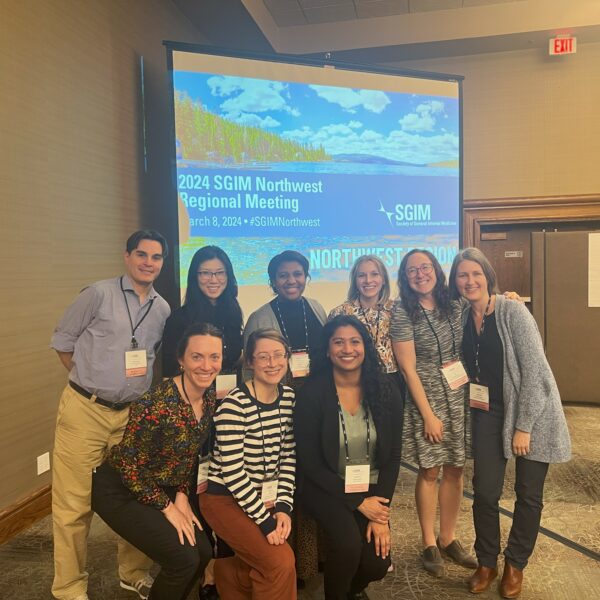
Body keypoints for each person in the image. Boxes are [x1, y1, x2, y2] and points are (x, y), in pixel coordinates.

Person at [50, 230, 170, 600]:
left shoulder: (162, 308)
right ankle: (69, 588)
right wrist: (91, 383)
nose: (148, 262)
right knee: (74, 504)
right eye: (141, 254)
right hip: (86, 411)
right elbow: (63, 341)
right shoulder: (98, 294)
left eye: (156, 257)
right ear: (127, 256)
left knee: (132, 497)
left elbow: (148, 357)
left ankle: (132, 573)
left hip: (131, 415)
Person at [449, 248, 571, 598]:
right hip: (488, 412)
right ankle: (487, 561)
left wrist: (524, 425)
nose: (469, 281)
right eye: (462, 275)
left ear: (488, 275)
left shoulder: (513, 311)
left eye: (475, 274)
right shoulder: (460, 315)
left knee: (528, 495)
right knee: (485, 492)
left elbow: (535, 371)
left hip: (533, 412)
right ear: (455, 282)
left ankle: (515, 564)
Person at [91, 323, 221, 600]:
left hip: (161, 487)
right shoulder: (156, 403)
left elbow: (190, 452)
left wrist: (183, 496)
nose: (206, 365)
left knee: (203, 553)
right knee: (183, 559)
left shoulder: (208, 395)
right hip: (120, 490)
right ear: (181, 360)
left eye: (214, 357)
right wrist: (167, 507)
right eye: (197, 356)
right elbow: (128, 465)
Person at [294, 315, 403, 600]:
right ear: (328, 350)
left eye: (355, 341)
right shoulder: (312, 394)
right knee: (347, 545)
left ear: (365, 347)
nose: (347, 349)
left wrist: (380, 513)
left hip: (371, 487)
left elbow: (392, 457)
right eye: (338, 342)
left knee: (377, 564)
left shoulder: (386, 390)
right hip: (325, 487)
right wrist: (356, 501)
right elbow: (311, 463)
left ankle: (349, 591)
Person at [390, 249, 477, 577]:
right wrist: (428, 414)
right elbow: (408, 370)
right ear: (405, 277)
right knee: (429, 471)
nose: (420, 273)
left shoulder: (455, 303)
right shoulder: (403, 312)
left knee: (455, 468)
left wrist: (506, 296)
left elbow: (483, 303)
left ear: (436, 271)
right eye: (412, 270)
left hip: (459, 393)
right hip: (426, 396)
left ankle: (448, 537)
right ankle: (428, 542)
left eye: (425, 267)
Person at [199, 329, 297, 599]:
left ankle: (223, 573)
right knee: (280, 562)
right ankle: (224, 574)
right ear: (250, 362)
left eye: (279, 355)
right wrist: (265, 522)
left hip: (263, 498)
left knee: (267, 564)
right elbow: (233, 473)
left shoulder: (289, 398)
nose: (272, 363)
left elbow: (288, 457)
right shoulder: (234, 405)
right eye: (263, 357)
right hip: (224, 499)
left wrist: (283, 508)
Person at [162, 246, 243, 387]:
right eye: (205, 273)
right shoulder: (179, 319)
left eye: (220, 273)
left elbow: (235, 358)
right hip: (193, 399)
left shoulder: (233, 313)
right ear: (195, 277)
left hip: (229, 398)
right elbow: (169, 373)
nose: (213, 280)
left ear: (228, 276)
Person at [244, 250, 326, 383]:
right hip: (277, 397)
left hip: (319, 392)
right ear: (273, 281)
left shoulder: (316, 307)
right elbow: (249, 371)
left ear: (305, 277)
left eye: (298, 274)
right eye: (283, 275)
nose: (291, 281)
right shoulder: (258, 319)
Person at [328, 254, 404, 395]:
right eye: (361, 275)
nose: (368, 280)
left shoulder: (398, 310)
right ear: (355, 281)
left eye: (374, 274)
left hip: (392, 382)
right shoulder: (340, 313)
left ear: (384, 280)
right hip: (354, 382)